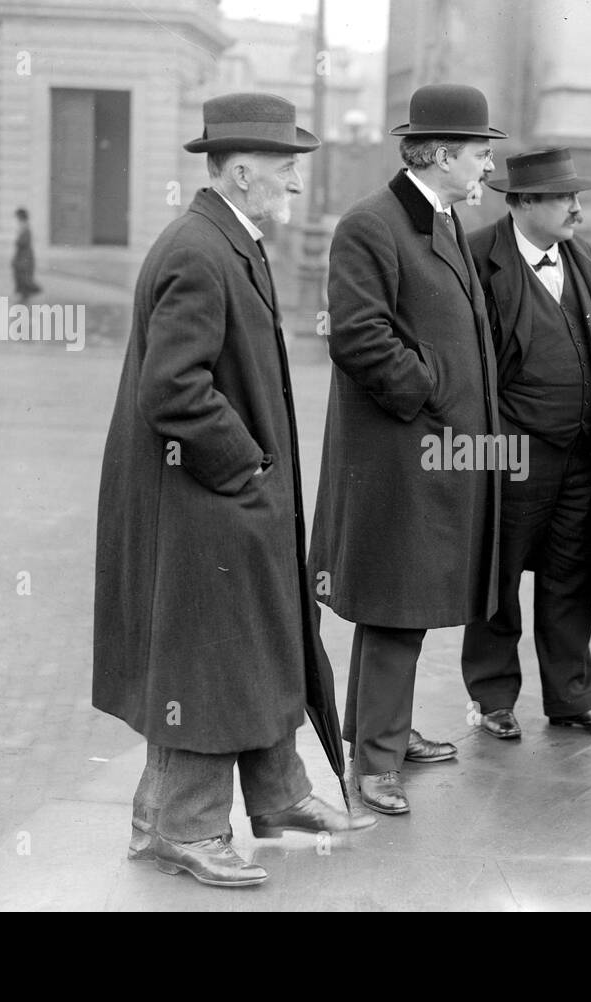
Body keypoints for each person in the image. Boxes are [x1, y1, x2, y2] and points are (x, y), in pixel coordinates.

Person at [93, 93, 374, 890]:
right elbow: (173, 389)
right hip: (202, 501)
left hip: (215, 498)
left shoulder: (225, 239)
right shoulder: (201, 249)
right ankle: (184, 829)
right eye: (286, 170)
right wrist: (247, 465)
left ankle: (275, 797)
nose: (294, 185)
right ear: (243, 172)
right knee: (205, 665)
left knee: (252, 645)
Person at [310, 84, 504, 816]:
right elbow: (358, 336)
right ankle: (377, 764)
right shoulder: (373, 224)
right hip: (402, 452)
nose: (487, 164)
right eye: (480, 151)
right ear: (443, 154)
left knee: (407, 601)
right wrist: (429, 390)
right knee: (396, 604)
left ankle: (375, 729)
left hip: (433, 451)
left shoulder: (440, 218)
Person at [460, 148, 591, 741]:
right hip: (511, 455)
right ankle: (493, 699)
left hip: (582, 455)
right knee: (499, 573)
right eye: (566, 198)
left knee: (571, 577)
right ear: (522, 203)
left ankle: (572, 699)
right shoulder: (476, 255)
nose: (578, 210)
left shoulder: (586, 257)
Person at [11, 207, 41, 304]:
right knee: (21, 274)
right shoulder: (23, 226)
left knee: (24, 275)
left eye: (18, 217)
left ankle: (26, 295)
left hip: (25, 255)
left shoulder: (25, 226)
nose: (17, 219)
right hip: (22, 254)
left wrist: (18, 241)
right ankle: (24, 296)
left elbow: (24, 241)